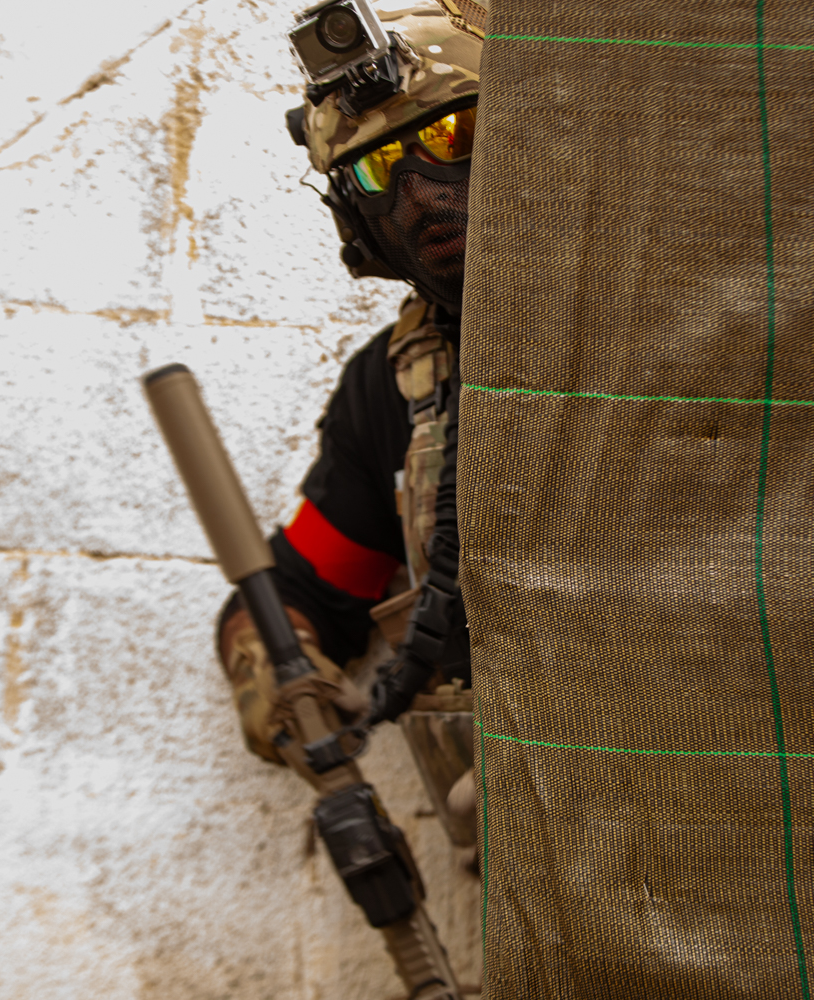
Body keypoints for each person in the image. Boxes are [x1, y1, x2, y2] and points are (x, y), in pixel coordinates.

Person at [214, 0, 482, 859]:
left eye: (452, 137)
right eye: (378, 169)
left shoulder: (679, 325)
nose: (420, 194)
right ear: (355, 221)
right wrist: (289, 692)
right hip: (531, 880)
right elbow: (301, 595)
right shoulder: (396, 387)